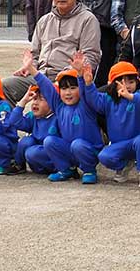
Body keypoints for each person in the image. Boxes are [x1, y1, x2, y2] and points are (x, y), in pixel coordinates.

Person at [4, 0, 101, 103]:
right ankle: (10, 117)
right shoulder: (44, 20)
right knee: (4, 87)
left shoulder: (88, 19)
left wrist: (66, 74)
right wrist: (28, 67)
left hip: (67, 79)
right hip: (40, 75)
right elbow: (35, 54)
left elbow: (91, 56)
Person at [28, 53, 104, 184]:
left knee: (77, 145)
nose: (68, 92)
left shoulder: (86, 105)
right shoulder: (59, 106)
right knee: (49, 141)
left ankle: (89, 170)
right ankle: (66, 169)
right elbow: (46, 86)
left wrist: (80, 75)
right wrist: (31, 68)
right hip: (69, 149)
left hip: (88, 150)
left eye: (73, 88)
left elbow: (87, 92)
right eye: (64, 88)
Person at [87, 59, 140, 187]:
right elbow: (94, 100)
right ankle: (124, 165)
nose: (127, 86)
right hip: (118, 144)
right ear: (111, 84)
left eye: (131, 82)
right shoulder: (108, 100)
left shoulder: (138, 97)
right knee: (104, 156)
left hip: (138, 142)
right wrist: (88, 84)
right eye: (121, 82)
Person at [8, 85, 56, 176]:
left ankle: (59, 169)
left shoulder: (58, 117)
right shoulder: (33, 117)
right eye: (34, 99)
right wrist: (23, 102)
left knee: (32, 152)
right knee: (26, 141)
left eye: (41, 99)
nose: (35, 103)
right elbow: (14, 122)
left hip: (51, 156)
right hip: (36, 157)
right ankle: (18, 165)